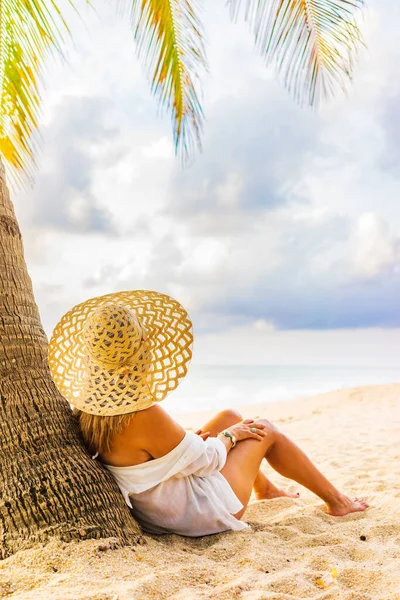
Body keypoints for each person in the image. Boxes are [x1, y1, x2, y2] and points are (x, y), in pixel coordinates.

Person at [48, 290, 369, 538]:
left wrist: (203, 438)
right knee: (263, 428)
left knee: (229, 414)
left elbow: (153, 457)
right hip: (196, 514)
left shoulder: (90, 411)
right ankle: (338, 502)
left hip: (162, 507)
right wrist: (231, 437)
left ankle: (267, 490)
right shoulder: (143, 413)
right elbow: (208, 462)